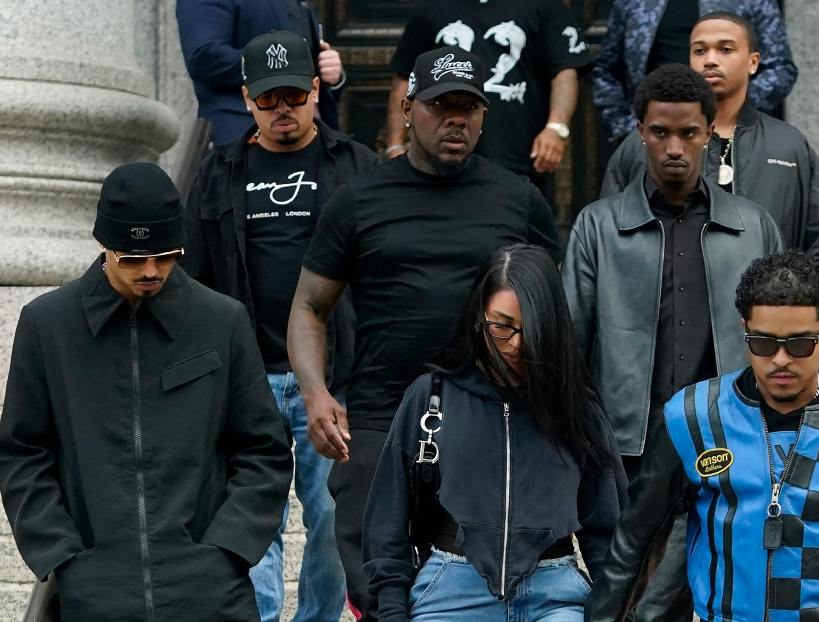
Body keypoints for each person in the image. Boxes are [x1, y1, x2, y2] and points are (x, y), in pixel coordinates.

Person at [288, 47, 562, 621]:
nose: (455, 119)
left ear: (485, 116)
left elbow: (552, 310)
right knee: (369, 573)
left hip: (489, 413)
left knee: (476, 575)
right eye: (441, 106)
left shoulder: (519, 199)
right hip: (380, 413)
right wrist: (314, 391)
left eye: (469, 107)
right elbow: (310, 307)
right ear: (409, 109)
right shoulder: (360, 199)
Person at [0, 163, 293, 621]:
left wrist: (229, 548)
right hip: (93, 591)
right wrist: (64, 556)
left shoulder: (221, 320)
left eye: (166, 254)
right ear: (103, 247)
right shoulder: (47, 325)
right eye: (132, 258)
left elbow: (263, 450)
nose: (151, 271)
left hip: (211, 588)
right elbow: (22, 451)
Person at [585, 249, 819, 622]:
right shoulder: (693, 418)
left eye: (800, 344)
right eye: (764, 343)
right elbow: (634, 539)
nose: (781, 359)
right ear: (744, 329)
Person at [562, 63, 782, 622]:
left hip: (729, 442)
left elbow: (781, 338)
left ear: (710, 132)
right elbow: (569, 343)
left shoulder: (755, 227)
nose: (674, 147)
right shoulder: (598, 226)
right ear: (639, 131)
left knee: (724, 588)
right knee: (629, 589)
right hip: (628, 447)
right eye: (660, 132)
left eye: (688, 132)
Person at [180, 30, 379, 622]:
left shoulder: (356, 167)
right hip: (247, 378)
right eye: (268, 99)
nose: (282, 109)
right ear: (246, 99)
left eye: (294, 95)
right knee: (253, 519)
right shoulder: (218, 173)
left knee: (331, 520)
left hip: (334, 379)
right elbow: (190, 278)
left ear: (316, 89)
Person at [363, 244, 628, 622]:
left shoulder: (577, 408)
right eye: (502, 326)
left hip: (557, 595)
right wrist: (391, 610)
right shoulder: (431, 398)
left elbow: (609, 531)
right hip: (450, 590)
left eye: (531, 329)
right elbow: (387, 517)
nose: (517, 344)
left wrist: (613, 609)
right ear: (477, 317)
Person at [601, 12, 819, 304]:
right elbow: (607, 245)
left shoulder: (789, 147)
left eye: (725, 49)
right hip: (665, 324)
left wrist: (802, 326)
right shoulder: (640, 144)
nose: (710, 60)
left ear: (753, 62)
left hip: (765, 331)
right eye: (700, 50)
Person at [383, 0, 594, 194]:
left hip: (518, 158)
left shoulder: (544, 4)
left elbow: (565, 68)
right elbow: (406, 75)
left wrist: (556, 128)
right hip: (439, 163)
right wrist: (395, 144)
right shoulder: (432, 6)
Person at [594, 0, 796, 141]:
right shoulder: (633, 2)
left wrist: (729, 114)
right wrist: (624, 128)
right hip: (654, 139)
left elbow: (780, 69)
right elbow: (607, 69)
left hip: (733, 140)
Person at [177, 0, 346, 145]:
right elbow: (204, 57)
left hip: (314, 143)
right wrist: (284, 62)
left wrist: (331, 73)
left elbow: (307, 58)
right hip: (246, 141)